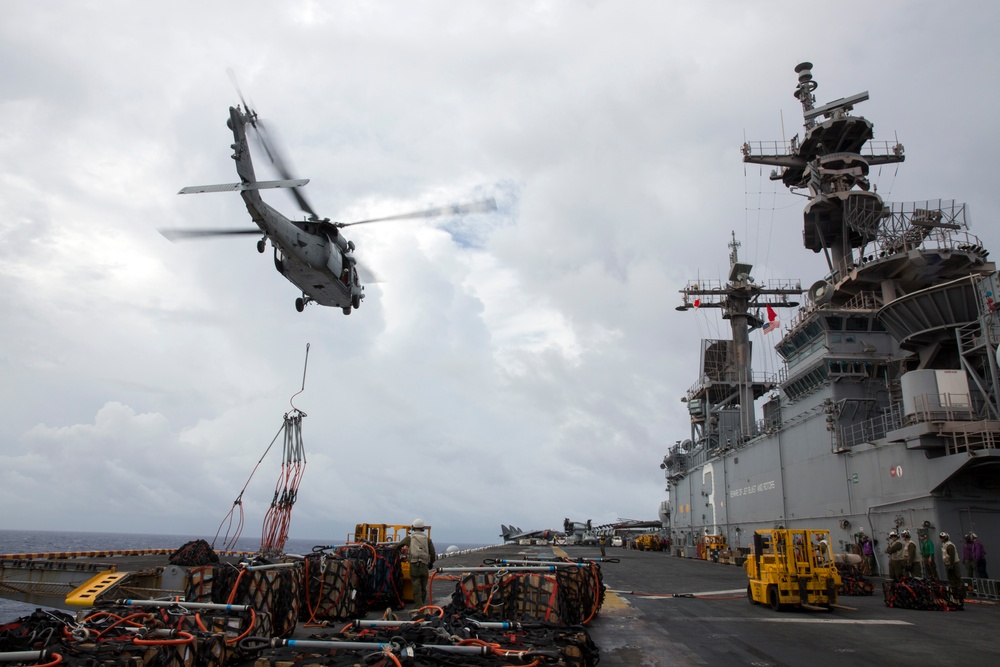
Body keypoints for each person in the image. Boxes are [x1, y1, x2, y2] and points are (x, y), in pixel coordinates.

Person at [392, 519, 436, 614]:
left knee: (416, 586)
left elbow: (398, 546)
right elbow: (432, 553)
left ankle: (419, 607)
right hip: (424, 565)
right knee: (423, 587)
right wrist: (431, 563)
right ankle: (422, 605)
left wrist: (394, 550)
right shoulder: (428, 540)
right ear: (423, 528)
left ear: (413, 527)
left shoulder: (410, 538)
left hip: (414, 565)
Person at [940, 531, 963, 601]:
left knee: (957, 578)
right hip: (948, 564)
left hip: (953, 564)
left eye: (942, 538)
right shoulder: (944, 545)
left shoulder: (950, 546)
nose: (941, 539)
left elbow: (952, 556)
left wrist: (951, 565)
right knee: (951, 579)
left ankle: (961, 594)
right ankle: (954, 593)